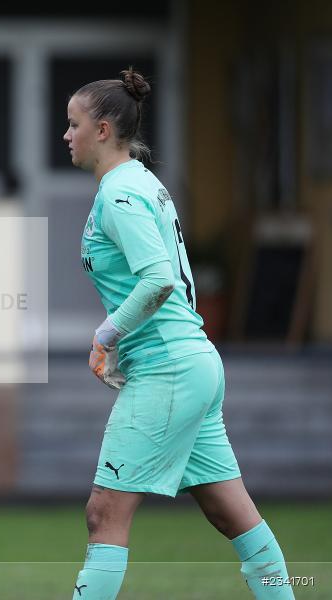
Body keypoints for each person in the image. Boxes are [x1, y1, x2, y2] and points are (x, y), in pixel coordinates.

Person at [64, 68, 295, 600]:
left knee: (104, 514)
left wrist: (106, 336)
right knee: (228, 511)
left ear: (102, 130)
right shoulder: (142, 181)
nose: (66, 135)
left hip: (169, 368)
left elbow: (158, 281)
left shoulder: (120, 192)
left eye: (73, 124)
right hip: (192, 363)